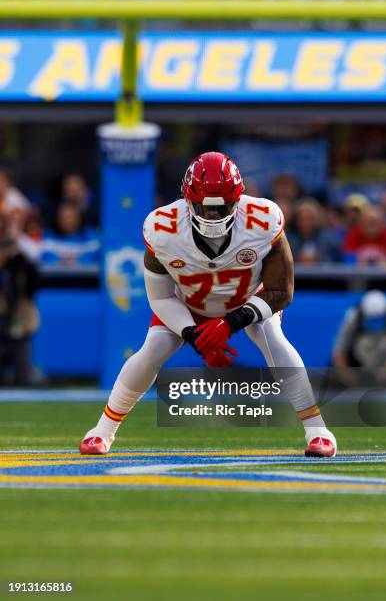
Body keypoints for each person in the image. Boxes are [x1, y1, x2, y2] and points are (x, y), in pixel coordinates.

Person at [80, 152, 337, 458]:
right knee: (153, 349)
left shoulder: (264, 220)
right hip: (187, 303)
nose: (213, 215)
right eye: (205, 207)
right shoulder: (162, 228)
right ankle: (102, 431)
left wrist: (231, 322)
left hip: (247, 300)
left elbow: (282, 290)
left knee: (275, 341)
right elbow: (160, 297)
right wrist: (193, 334)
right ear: (187, 199)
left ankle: (318, 431)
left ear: (238, 199)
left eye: (222, 207)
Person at [333, 290, 386, 372]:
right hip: (359, 364)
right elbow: (339, 348)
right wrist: (345, 374)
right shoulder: (353, 315)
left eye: (378, 318)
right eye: (372, 318)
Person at [0, 235, 39, 385]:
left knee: (23, 375)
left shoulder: (22, 267)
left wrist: (20, 259)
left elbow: (35, 283)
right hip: (1, 324)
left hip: (20, 325)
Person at [41, 202, 100, 266]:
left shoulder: (90, 236)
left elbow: (94, 256)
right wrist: (63, 262)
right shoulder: (49, 235)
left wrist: (76, 261)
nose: (66, 221)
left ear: (78, 218)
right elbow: (46, 257)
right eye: (63, 217)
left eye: (70, 217)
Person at [287, 198, 340, 263]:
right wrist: (296, 259)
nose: (305, 223)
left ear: (317, 219)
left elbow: (335, 261)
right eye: (301, 218)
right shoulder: (288, 239)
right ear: (295, 220)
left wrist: (320, 259)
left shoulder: (328, 239)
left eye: (309, 218)